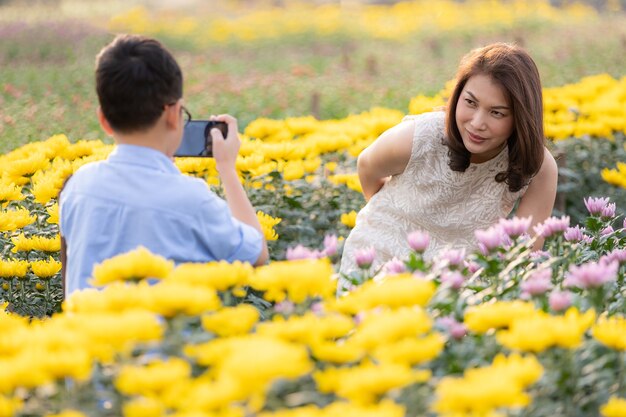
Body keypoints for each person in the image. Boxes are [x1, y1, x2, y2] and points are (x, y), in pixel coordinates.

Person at [59, 34, 269, 296]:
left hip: (83, 335)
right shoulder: (192, 199)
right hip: (160, 336)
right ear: (173, 114)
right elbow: (256, 252)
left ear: (104, 120)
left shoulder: (78, 187)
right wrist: (226, 168)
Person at [339, 42, 558, 280]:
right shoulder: (420, 137)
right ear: (458, 95)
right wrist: (393, 217)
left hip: (457, 283)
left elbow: (524, 254)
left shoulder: (539, 167)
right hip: (380, 262)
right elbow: (367, 166)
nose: (476, 123)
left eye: (497, 112)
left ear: (521, 117)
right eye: (470, 102)